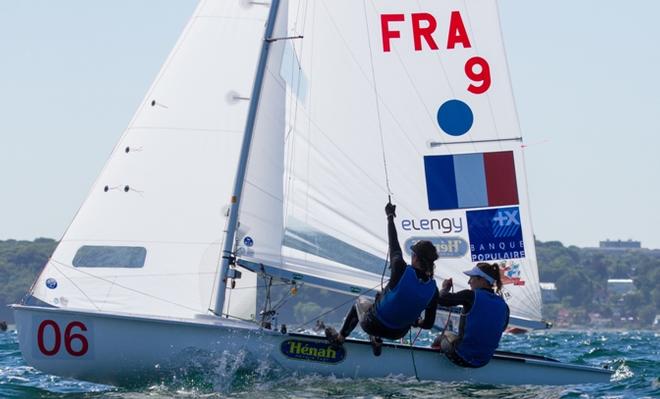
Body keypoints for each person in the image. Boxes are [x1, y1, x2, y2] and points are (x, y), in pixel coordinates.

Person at [325, 201, 440, 356]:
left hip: (373, 325)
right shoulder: (433, 290)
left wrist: (390, 216)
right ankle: (377, 341)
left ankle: (339, 339)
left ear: (415, 257)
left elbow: (394, 242)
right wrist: (416, 322)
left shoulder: (400, 268)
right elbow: (428, 324)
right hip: (398, 333)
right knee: (380, 300)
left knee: (360, 302)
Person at [432, 262, 510, 368]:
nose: (469, 282)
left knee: (444, 335)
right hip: (483, 361)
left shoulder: (470, 296)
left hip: (460, 356)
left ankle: (430, 363)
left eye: (472, 278)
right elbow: (500, 328)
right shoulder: (504, 306)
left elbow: (441, 299)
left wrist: (445, 287)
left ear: (482, 280)